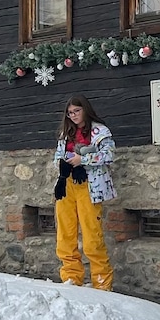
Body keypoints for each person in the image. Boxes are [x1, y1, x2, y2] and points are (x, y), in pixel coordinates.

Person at [52, 95, 116, 290]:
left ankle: (102, 281)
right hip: (67, 184)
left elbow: (109, 155)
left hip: (90, 185)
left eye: (76, 111)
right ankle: (71, 276)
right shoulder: (65, 133)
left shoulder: (100, 131)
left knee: (91, 235)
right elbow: (57, 155)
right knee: (65, 233)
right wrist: (62, 164)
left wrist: (83, 160)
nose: (73, 116)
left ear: (85, 110)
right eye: (70, 113)